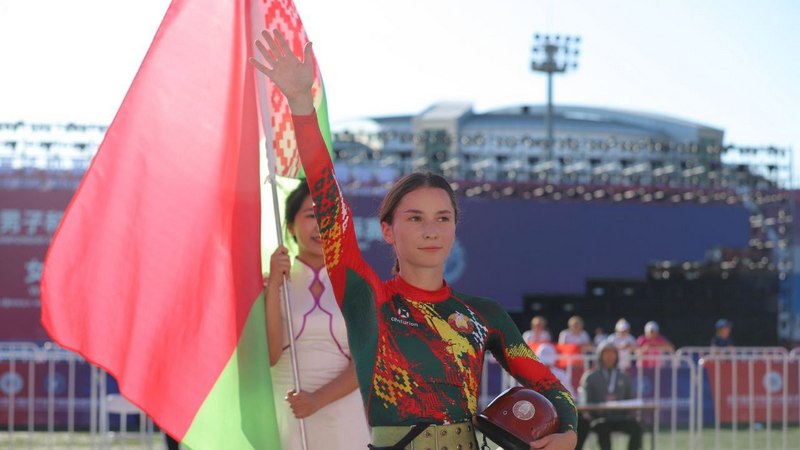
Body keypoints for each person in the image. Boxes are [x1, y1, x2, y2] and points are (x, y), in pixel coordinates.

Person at [251, 29, 577, 450]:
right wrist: (300, 106)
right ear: (387, 229)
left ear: (455, 228)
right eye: (415, 217)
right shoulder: (368, 300)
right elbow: (330, 205)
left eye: (443, 218)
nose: (431, 229)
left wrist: (568, 434)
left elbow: (554, 388)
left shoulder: (484, 315)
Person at [264, 182, 369, 450]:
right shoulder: (269, 282)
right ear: (289, 226)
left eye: (327, 216)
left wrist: (317, 400)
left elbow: (364, 362)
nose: (320, 225)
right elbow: (270, 355)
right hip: (287, 411)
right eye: (311, 215)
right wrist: (273, 286)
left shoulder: (355, 284)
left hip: (342, 415)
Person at [576, 342, 642, 450]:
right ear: (600, 356)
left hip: (619, 418)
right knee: (603, 426)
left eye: (612, 353)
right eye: (606, 353)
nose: (609, 356)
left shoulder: (623, 376)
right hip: (599, 418)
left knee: (636, 427)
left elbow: (630, 400)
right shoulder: (590, 377)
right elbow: (586, 403)